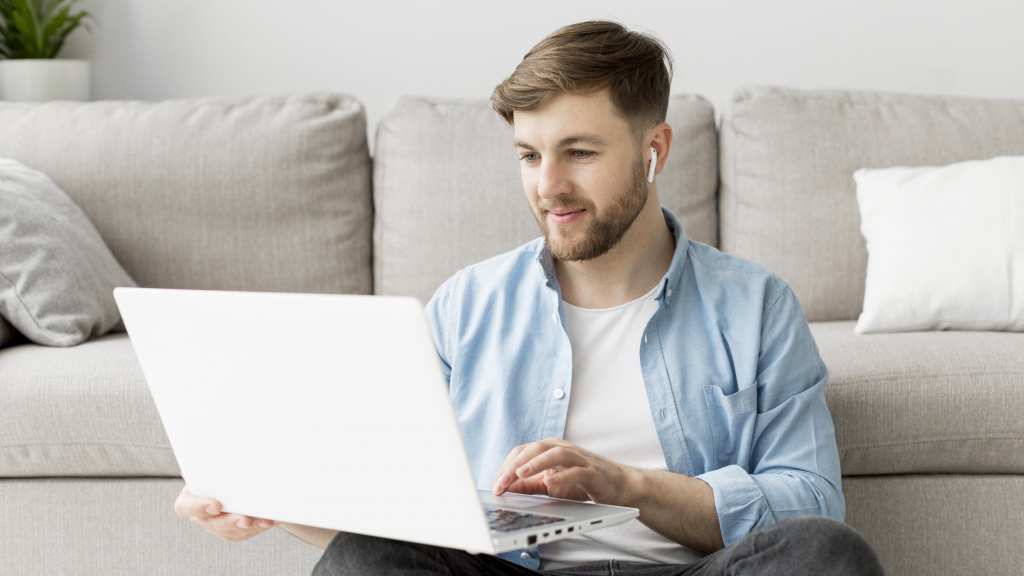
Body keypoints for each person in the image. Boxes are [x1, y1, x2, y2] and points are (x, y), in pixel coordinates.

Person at [175, 19, 885, 576]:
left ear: (654, 149)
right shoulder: (468, 305)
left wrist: (626, 486)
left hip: (698, 573)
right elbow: (397, 522)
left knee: (826, 556)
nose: (548, 185)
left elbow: (811, 501)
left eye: (579, 152)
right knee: (360, 561)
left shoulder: (756, 306)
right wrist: (265, 501)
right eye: (529, 155)